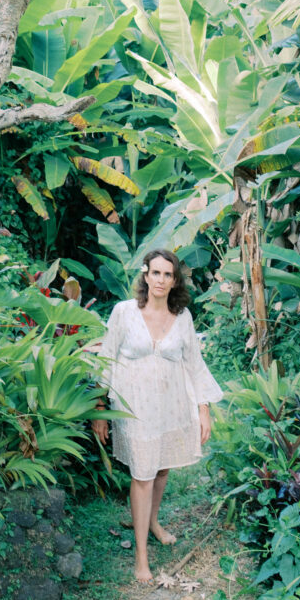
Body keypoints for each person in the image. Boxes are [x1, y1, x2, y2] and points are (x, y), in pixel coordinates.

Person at [91, 248, 222, 582]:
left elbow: (194, 363)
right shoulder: (124, 312)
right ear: (145, 275)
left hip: (171, 405)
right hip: (134, 408)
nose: (161, 280)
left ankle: (151, 521)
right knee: (143, 474)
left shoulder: (183, 318)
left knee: (161, 468)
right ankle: (141, 555)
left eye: (168, 274)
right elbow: (106, 359)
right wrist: (99, 409)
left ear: (174, 280)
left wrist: (203, 409)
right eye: (156, 273)